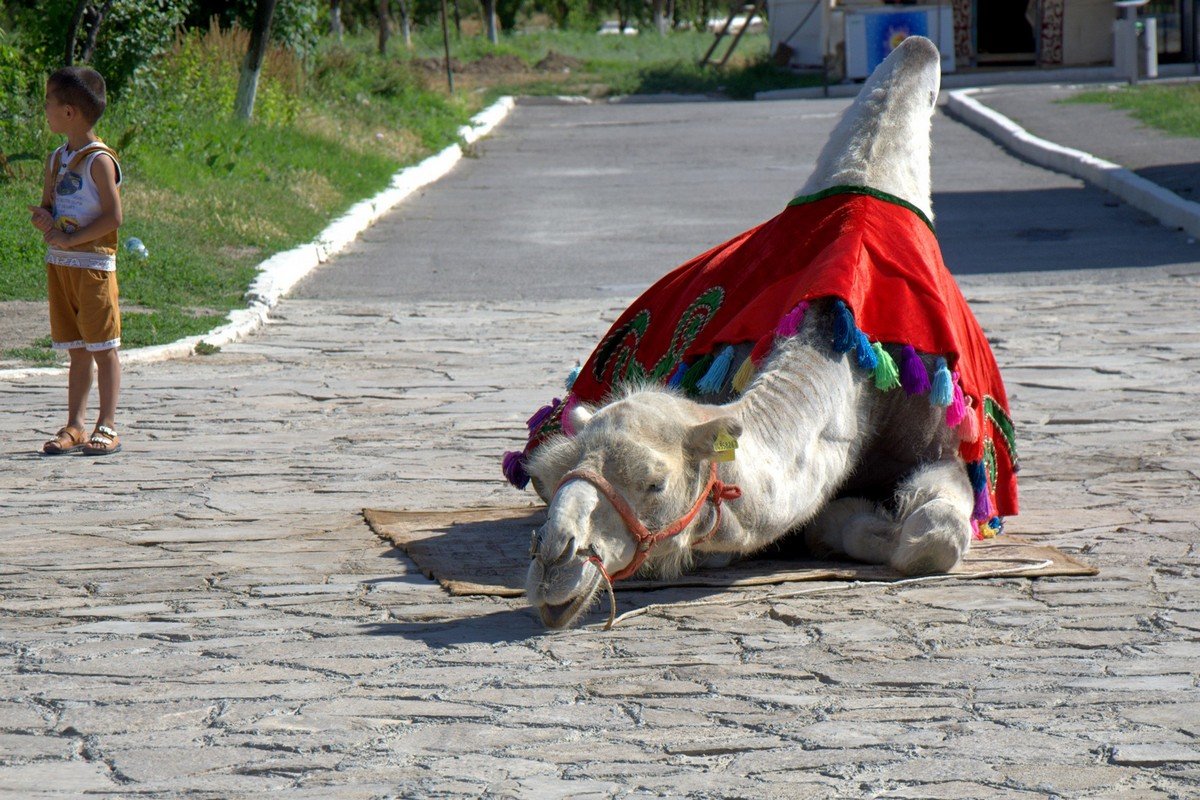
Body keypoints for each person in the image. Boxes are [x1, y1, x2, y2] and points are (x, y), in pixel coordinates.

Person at [29, 66, 124, 456]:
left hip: (93, 267)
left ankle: (107, 424)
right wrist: (46, 220)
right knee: (77, 349)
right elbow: (51, 204)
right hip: (62, 266)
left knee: (104, 346)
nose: (45, 109)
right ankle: (76, 424)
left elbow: (113, 217)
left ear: (70, 112)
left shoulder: (99, 161)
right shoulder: (57, 158)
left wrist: (71, 239)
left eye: (49, 103)